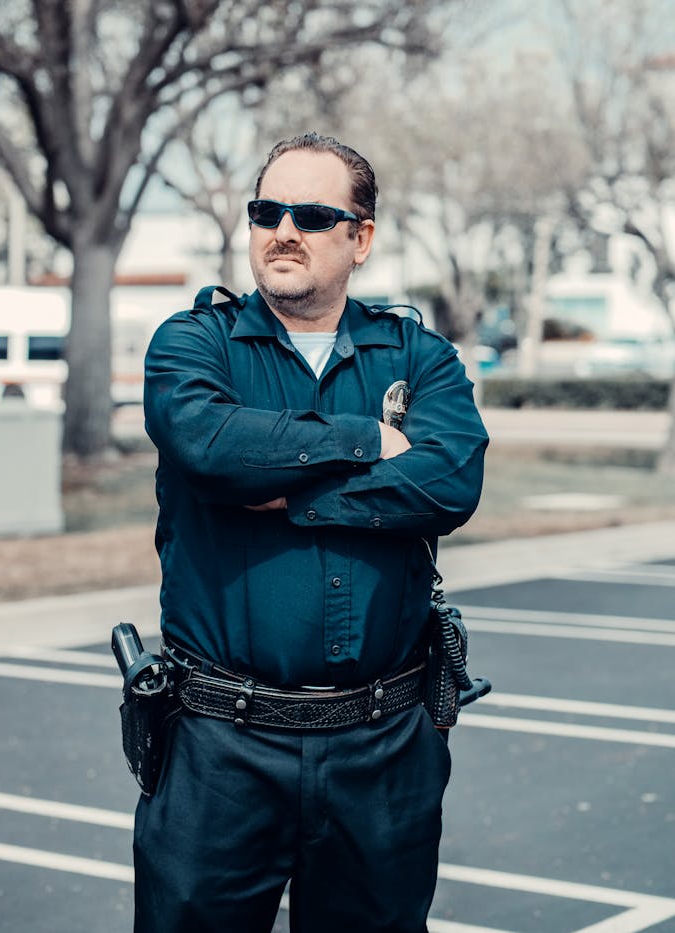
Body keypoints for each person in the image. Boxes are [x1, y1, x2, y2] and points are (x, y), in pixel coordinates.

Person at [136, 132, 488, 933]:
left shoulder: (421, 358)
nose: (283, 228)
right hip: (219, 748)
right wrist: (365, 441)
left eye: (313, 214)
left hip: (384, 747)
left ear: (361, 238)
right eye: (267, 210)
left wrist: (286, 496)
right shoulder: (194, 345)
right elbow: (209, 446)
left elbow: (448, 482)